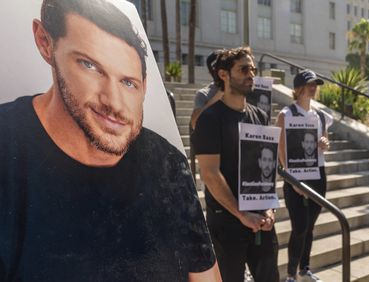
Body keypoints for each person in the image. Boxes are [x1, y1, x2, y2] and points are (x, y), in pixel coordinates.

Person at [0, 0, 220, 281]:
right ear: (45, 42)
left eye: (128, 83)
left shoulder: (166, 162)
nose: (114, 103)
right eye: (90, 65)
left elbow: (205, 275)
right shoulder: (8, 149)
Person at [193, 46, 280, 282]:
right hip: (227, 221)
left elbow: (268, 170)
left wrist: (271, 208)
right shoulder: (209, 119)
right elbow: (209, 174)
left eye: (252, 69)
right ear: (223, 74)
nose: (251, 74)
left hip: (261, 219)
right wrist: (242, 214)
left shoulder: (260, 116)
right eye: (243, 69)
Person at [276, 69, 333, 282]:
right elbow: (280, 150)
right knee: (299, 226)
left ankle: (304, 268)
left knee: (310, 226)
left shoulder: (320, 115)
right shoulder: (286, 114)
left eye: (315, 84)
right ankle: (291, 274)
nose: (314, 88)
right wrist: (292, 179)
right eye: (310, 84)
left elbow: (324, 142)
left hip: (317, 173)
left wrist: (325, 144)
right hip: (295, 176)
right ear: (299, 87)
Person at [190, 50, 224, 130]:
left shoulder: (239, 88)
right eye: (216, 70)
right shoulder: (203, 94)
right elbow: (194, 123)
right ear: (210, 72)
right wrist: (217, 96)